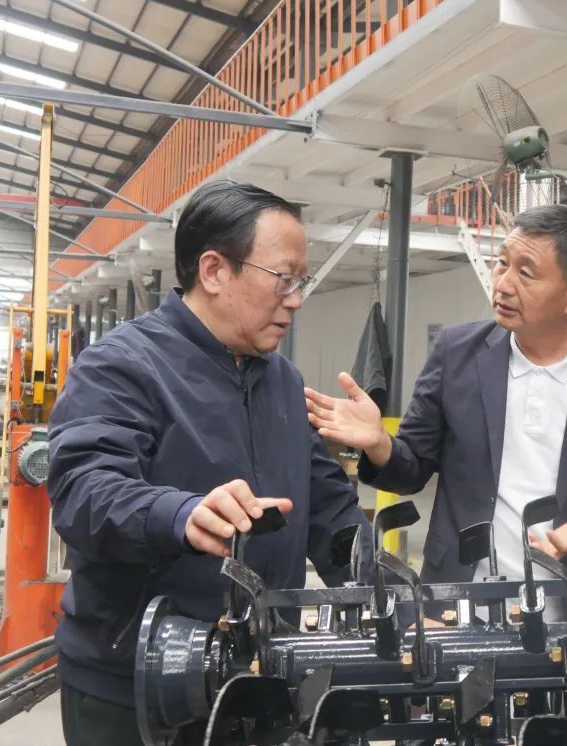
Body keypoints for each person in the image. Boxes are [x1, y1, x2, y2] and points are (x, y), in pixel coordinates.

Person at [48, 180, 370, 746]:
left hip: (259, 674)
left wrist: (385, 596)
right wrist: (179, 514)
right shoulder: (122, 365)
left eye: (302, 281)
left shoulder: (282, 379)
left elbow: (328, 506)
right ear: (215, 270)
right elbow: (84, 491)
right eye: (284, 278)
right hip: (140, 685)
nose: (296, 299)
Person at [305, 205, 567, 586]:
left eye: (525, 273)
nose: (503, 284)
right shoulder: (456, 354)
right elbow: (412, 468)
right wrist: (380, 443)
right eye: (502, 263)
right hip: (461, 594)